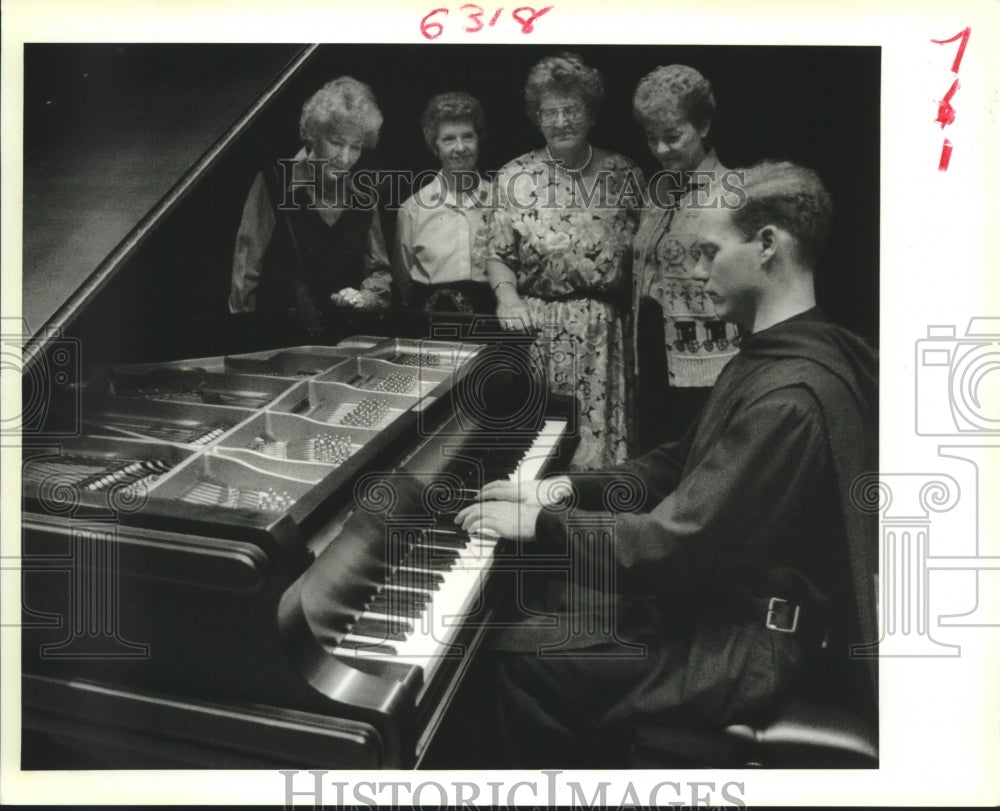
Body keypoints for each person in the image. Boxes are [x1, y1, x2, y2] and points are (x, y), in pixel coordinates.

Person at [456, 161, 878, 768]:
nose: (697, 272)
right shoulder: (777, 354)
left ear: (766, 246)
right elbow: (676, 465)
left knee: (510, 659)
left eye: (709, 252)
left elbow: (676, 546)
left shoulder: (790, 398)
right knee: (539, 602)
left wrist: (542, 527)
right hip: (721, 611)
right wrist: (557, 493)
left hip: (749, 643)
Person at [487, 52, 643, 470]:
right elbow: (498, 254)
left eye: (570, 110)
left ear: (590, 113)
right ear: (536, 118)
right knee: (541, 456)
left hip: (604, 336)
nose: (560, 122)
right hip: (539, 334)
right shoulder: (513, 176)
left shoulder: (625, 174)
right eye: (549, 112)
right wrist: (508, 299)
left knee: (602, 460)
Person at [631, 65, 741, 450]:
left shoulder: (735, 193)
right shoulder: (656, 194)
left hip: (710, 368)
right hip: (652, 358)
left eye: (673, 136)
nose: (661, 149)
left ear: (704, 126)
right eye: (652, 138)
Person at [228, 76, 392, 333]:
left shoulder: (365, 195)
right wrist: (240, 336)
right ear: (312, 135)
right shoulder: (274, 182)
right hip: (275, 342)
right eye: (336, 143)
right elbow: (246, 275)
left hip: (344, 343)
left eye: (356, 147)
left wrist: (365, 297)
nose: (346, 158)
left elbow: (379, 272)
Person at [393, 92, 494, 315]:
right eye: (448, 139)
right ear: (435, 146)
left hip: (492, 327)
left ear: (479, 139)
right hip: (431, 329)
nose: (460, 147)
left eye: (467, 136)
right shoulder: (413, 209)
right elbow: (404, 284)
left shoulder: (502, 200)